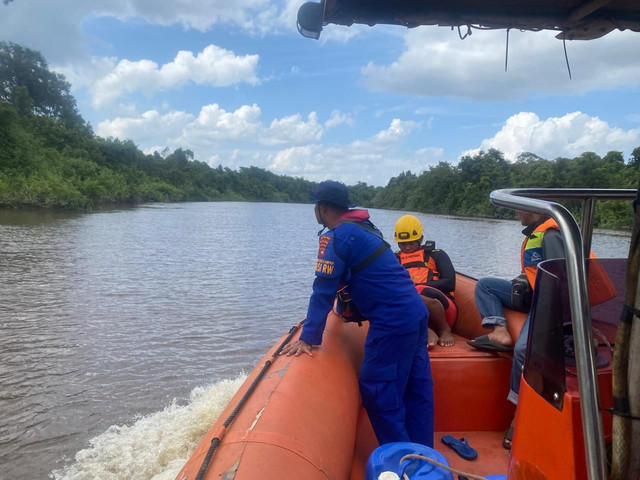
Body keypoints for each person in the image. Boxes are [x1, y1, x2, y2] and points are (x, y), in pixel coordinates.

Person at [281, 180, 434, 447]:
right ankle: (424, 455)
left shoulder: (336, 237)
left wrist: (308, 337)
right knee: (416, 389)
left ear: (323, 207)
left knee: (378, 389)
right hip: (416, 313)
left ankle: (404, 462)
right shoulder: (367, 229)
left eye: (315, 205)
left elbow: (323, 290)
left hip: (392, 322)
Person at [467, 210, 565, 449]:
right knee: (486, 286)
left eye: (520, 208)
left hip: (549, 302)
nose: (516, 212)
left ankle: (518, 413)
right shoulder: (535, 233)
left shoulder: (550, 235)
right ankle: (499, 330)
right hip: (533, 293)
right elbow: (535, 272)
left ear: (533, 211)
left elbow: (561, 277)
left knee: (524, 350)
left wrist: (547, 312)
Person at [394, 215, 457, 348]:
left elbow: (450, 283)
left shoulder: (436, 254)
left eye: (411, 242)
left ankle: (444, 330)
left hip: (442, 309)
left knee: (416, 292)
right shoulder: (395, 259)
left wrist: (415, 286)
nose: (407, 247)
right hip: (409, 310)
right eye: (403, 244)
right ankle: (425, 329)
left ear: (421, 238)